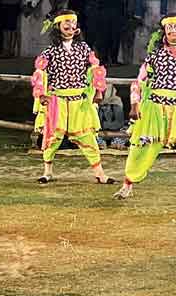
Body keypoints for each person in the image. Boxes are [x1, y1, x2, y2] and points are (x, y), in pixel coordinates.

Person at [114, 15, 176, 199]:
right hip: (155, 109)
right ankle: (127, 184)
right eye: (169, 28)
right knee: (141, 148)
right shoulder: (155, 55)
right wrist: (135, 104)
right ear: (163, 31)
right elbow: (140, 81)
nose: (173, 31)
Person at [31, 10, 114, 184]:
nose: (70, 26)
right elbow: (40, 72)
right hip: (57, 100)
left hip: (79, 100)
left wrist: (98, 90)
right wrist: (41, 94)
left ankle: (100, 173)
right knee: (52, 136)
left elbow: (95, 69)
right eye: (66, 23)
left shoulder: (84, 48)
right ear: (58, 27)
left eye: (73, 23)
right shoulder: (50, 50)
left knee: (87, 137)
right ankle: (47, 171)